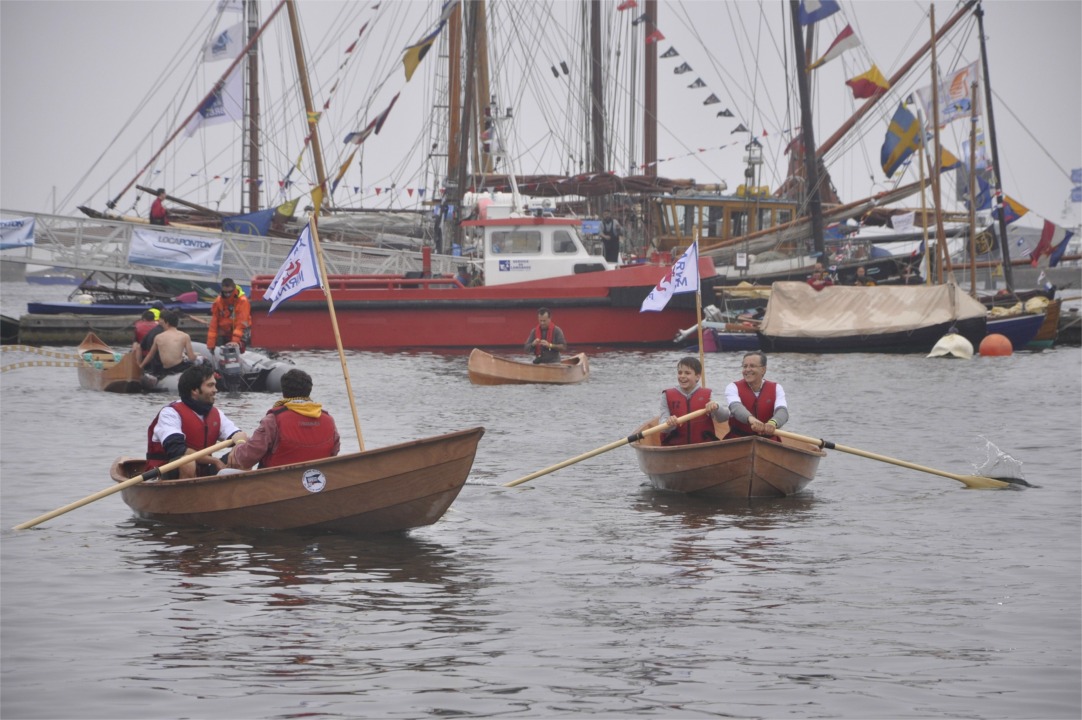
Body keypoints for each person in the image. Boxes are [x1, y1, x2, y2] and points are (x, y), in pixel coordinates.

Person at [145, 364, 248, 479]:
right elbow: (177, 450)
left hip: (202, 472)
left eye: (215, 385)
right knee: (187, 462)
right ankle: (186, 495)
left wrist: (239, 445)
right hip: (164, 472)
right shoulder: (170, 413)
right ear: (194, 390)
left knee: (243, 453)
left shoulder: (216, 414)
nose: (215, 390)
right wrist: (214, 461)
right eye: (210, 385)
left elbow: (239, 434)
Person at [227, 369, 340, 471]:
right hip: (317, 482)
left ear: (283, 392)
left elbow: (246, 459)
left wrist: (240, 443)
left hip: (276, 484)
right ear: (309, 390)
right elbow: (334, 453)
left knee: (224, 472)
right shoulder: (329, 420)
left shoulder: (273, 420)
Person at [659, 356, 729, 446]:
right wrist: (670, 423)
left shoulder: (708, 395)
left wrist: (716, 407)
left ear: (697, 376)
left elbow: (723, 418)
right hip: (675, 448)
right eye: (680, 373)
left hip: (703, 447)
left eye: (687, 373)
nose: (682, 376)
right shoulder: (666, 395)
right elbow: (662, 427)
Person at [723, 351, 788, 441]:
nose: (747, 370)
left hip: (768, 441)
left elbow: (782, 411)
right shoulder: (732, 387)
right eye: (745, 366)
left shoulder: (777, 388)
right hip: (739, 440)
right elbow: (735, 407)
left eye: (752, 366)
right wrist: (752, 420)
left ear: (763, 370)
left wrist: (773, 423)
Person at [140, 310, 199, 377]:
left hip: (166, 369)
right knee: (201, 362)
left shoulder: (158, 337)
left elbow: (150, 356)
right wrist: (197, 357)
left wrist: (140, 366)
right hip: (179, 368)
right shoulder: (185, 336)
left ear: (167, 323)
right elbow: (191, 358)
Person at [207, 278, 252, 353]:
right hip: (226, 331)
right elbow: (213, 324)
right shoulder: (218, 302)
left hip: (241, 329)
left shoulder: (242, 301)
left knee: (237, 346)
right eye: (225, 292)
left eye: (229, 292)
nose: (227, 294)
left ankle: (241, 349)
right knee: (221, 346)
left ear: (234, 289)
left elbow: (242, 323)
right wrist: (211, 344)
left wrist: (235, 341)